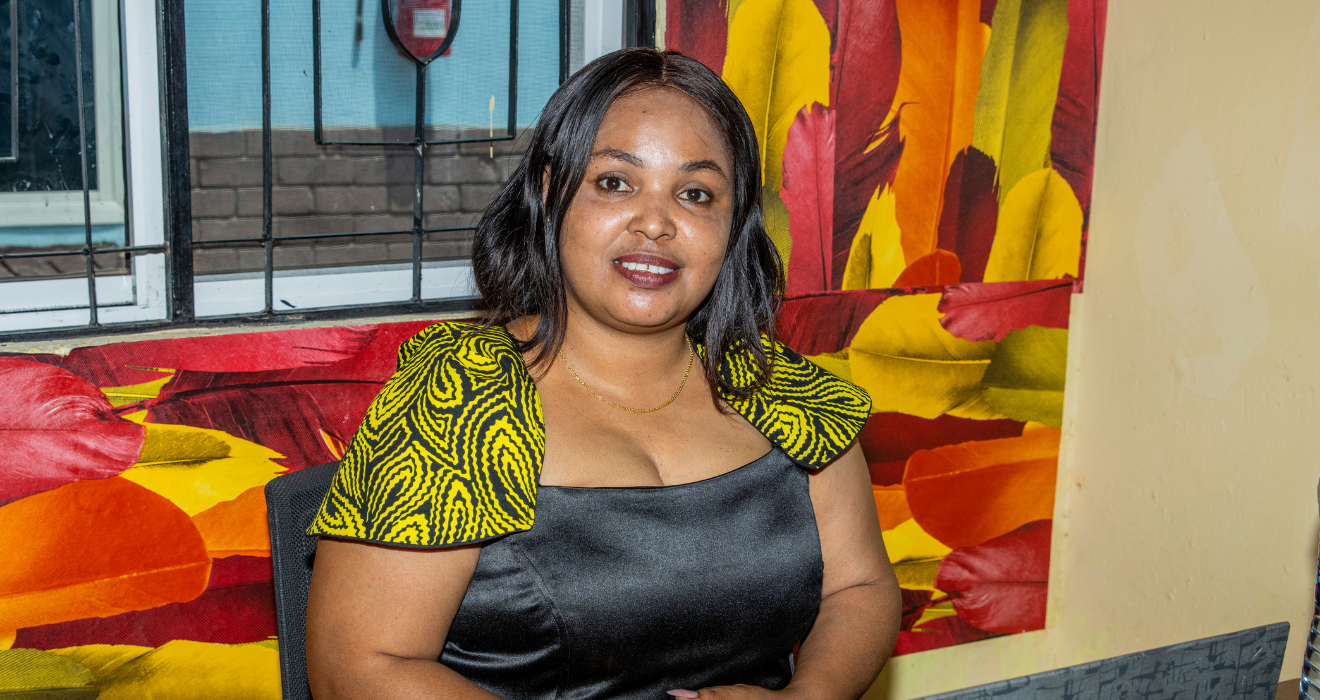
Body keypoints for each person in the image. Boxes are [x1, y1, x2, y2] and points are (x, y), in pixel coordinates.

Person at [304, 48, 902, 700]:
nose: (656, 222)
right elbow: (360, 668)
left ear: (732, 227)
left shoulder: (779, 388)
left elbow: (861, 587)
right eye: (615, 182)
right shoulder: (458, 398)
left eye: (695, 194)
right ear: (548, 191)